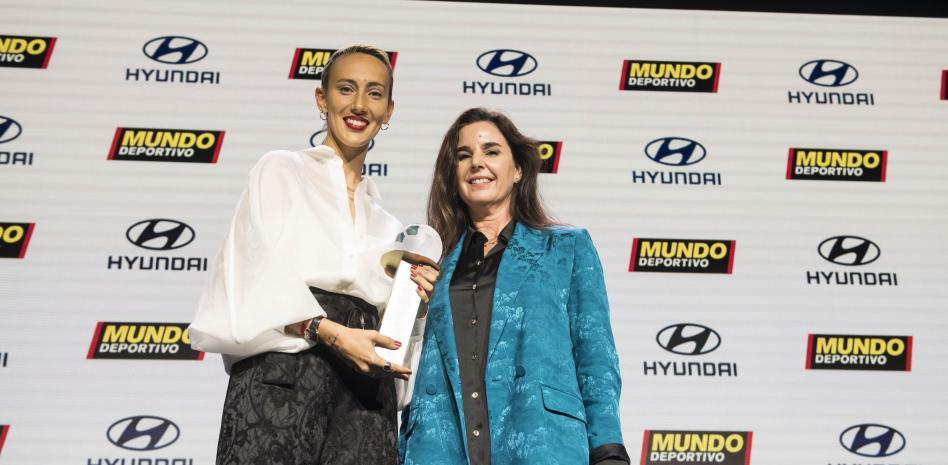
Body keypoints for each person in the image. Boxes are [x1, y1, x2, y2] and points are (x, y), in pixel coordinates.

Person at [188, 44, 439, 465]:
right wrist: (332, 332)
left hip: (364, 398)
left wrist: (413, 311)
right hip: (282, 379)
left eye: (375, 93)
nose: (359, 105)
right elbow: (251, 273)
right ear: (322, 99)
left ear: (389, 110)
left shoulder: (390, 226)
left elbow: (394, 344)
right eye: (346, 89)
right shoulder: (280, 171)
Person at [399, 108, 630, 465]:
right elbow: (403, 359)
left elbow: (595, 357)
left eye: (491, 151)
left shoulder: (566, 247)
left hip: (542, 443)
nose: (477, 163)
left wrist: (607, 449)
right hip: (438, 448)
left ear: (518, 169)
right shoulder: (430, 262)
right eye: (464, 156)